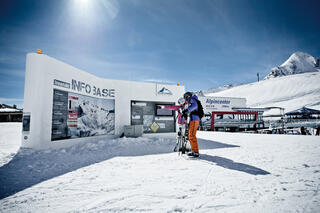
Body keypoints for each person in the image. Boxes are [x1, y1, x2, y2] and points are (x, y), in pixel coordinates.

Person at [182, 92, 200, 157]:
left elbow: (194, 106)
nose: (186, 100)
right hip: (193, 120)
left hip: (194, 120)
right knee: (190, 136)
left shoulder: (192, 99)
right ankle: (193, 150)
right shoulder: (193, 99)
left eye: (185, 98)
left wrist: (187, 110)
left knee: (192, 136)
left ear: (187, 96)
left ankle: (195, 152)